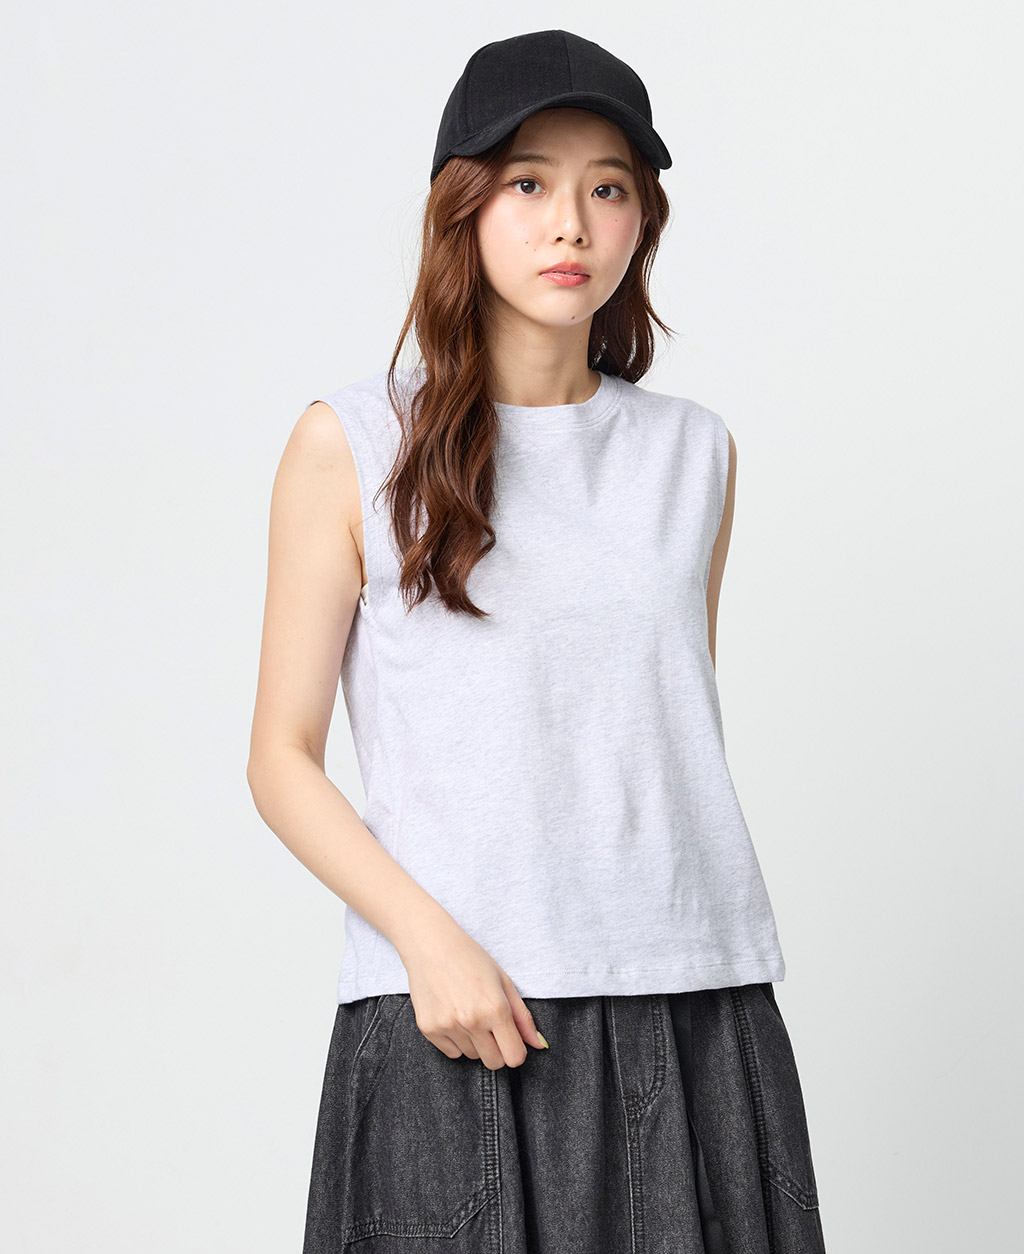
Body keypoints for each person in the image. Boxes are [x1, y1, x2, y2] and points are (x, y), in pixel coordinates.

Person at [247, 28, 827, 1254]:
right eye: (528, 183)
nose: (570, 223)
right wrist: (427, 944)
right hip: (459, 1010)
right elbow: (280, 758)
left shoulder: (692, 455)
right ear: (462, 207)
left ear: (641, 222)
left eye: (607, 189)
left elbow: (650, 730)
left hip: (693, 992)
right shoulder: (353, 443)